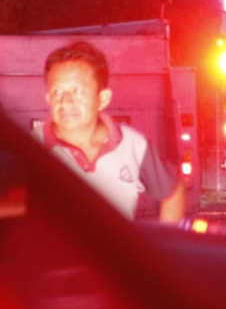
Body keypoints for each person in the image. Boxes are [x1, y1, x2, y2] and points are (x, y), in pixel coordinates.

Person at [36, 41, 185, 222]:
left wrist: (164, 245)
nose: (66, 101)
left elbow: (173, 193)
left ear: (103, 99)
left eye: (77, 91)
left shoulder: (134, 146)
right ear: (48, 98)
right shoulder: (26, 150)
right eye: (57, 92)